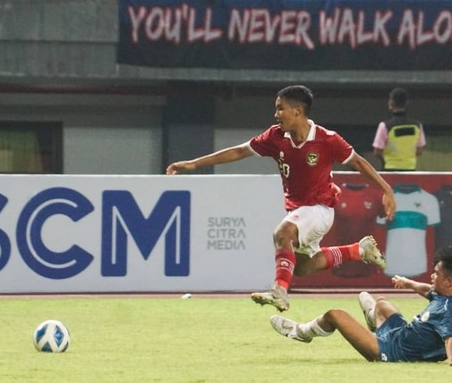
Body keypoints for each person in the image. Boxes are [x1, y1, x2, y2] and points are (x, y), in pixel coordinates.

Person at [166, 85, 396, 312]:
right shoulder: (275, 137)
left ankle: (279, 292)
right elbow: (238, 151)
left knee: (282, 233)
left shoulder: (327, 139)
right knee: (303, 267)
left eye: (280, 109)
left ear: (297, 110)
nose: (276, 115)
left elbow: (358, 162)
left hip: (320, 208)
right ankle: (358, 250)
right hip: (301, 210)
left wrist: (386, 189)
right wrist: (194, 163)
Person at [270, 243, 452, 366]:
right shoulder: (444, 296)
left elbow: (451, 339)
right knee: (383, 304)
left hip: (389, 351)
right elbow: (426, 290)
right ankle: (373, 319)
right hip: (400, 334)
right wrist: (408, 282)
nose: (432, 275)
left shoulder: (450, 311)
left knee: (335, 315)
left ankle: (300, 332)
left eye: (436, 273)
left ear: (449, 282)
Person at [372, 88, 426, 171]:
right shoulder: (417, 125)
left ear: (391, 103)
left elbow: (377, 151)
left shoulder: (385, 126)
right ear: (406, 103)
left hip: (390, 169)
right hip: (410, 169)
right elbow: (419, 150)